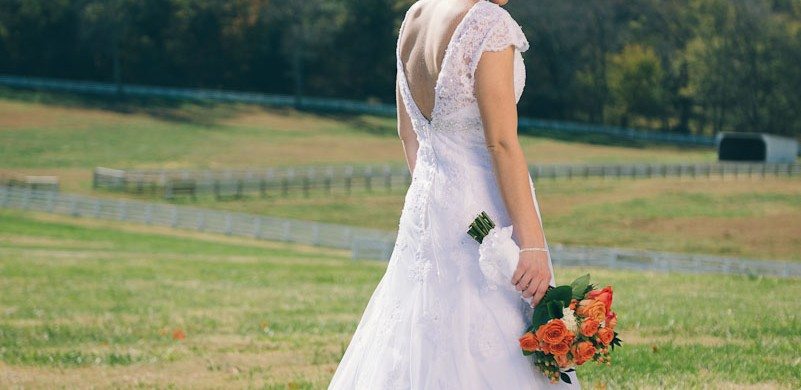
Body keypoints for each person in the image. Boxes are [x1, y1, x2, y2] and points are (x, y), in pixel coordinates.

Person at [328, 0, 580, 388]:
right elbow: (501, 143)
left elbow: (408, 134)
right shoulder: (488, 24)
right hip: (487, 212)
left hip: (427, 209)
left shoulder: (415, 16)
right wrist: (532, 247)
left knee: (418, 334)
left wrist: (438, 200)